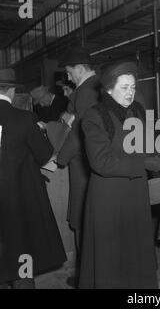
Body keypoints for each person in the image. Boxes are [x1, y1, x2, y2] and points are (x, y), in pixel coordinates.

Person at [79, 62, 160, 288]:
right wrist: (144, 163)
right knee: (111, 258)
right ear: (108, 89)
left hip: (136, 193)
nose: (130, 93)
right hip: (109, 197)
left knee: (136, 251)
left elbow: (144, 144)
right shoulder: (94, 116)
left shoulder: (136, 110)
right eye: (125, 87)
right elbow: (101, 162)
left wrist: (158, 149)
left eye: (133, 87)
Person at [0, 68, 67, 289]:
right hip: (16, 200)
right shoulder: (24, 118)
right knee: (21, 251)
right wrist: (38, 131)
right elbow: (44, 155)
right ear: (11, 91)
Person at [56, 47, 101, 256]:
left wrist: (60, 158)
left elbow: (78, 133)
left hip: (84, 164)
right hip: (98, 161)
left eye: (69, 71)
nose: (68, 76)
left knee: (82, 216)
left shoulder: (84, 92)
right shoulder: (101, 85)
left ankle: (87, 275)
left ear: (80, 69)